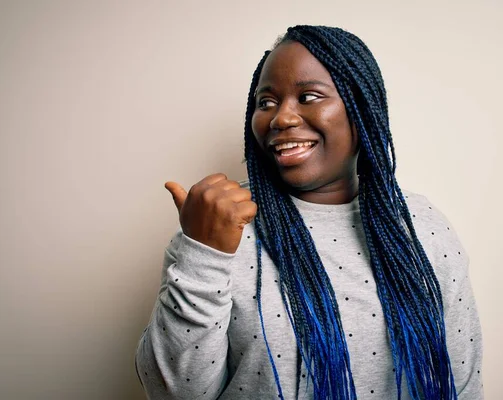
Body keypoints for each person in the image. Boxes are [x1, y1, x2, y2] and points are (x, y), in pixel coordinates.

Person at [135, 25, 484, 399]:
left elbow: (462, 386)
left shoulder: (421, 227)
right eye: (265, 102)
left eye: (309, 96)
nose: (281, 118)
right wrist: (204, 254)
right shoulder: (218, 229)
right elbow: (172, 393)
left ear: (362, 110)